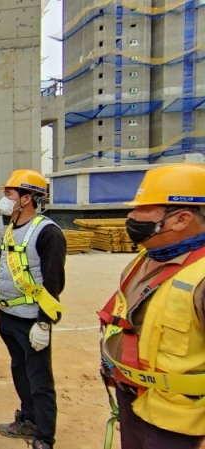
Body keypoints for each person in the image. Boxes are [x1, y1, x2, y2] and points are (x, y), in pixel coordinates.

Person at [98, 163, 205, 449]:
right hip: (135, 402)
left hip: (177, 424)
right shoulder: (144, 259)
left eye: (142, 209)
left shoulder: (201, 277)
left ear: (181, 219)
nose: (131, 217)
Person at [0, 169, 66, 449]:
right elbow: (5, 268)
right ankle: (29, 419)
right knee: (20, 371)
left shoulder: (48, 233)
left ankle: (44, 437)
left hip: (33, 321)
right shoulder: (12, 227)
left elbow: (53, 282)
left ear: (27, 198)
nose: (5, 198)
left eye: (9, 193)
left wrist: (44, 323)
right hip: (9, 316)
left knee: (40, 379)